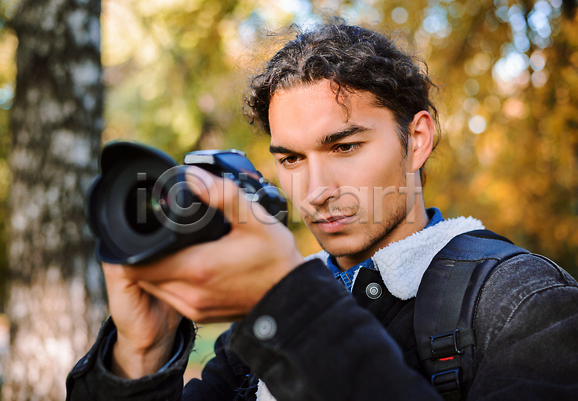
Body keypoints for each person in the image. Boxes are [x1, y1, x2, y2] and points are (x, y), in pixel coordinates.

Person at [66, 24, 578, 400]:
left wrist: (291, 307)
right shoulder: (260, 329)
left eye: (344, 147)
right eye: (290, 158)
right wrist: (141, 353)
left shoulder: (524, 303)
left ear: (417, 139)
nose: (314, 190)